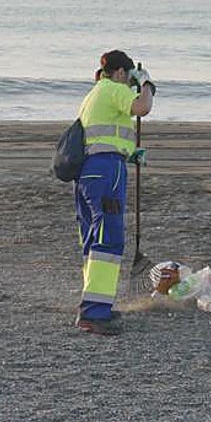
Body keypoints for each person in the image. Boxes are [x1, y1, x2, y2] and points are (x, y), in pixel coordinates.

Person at [72, 49, 155, 336]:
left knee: (94, 237)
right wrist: (146, 85)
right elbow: (142, 108)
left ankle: (98, 303)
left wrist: (131, 154)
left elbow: (104, 136)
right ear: (121, 73)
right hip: (107, 170)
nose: (130, 85)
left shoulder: (94, 95)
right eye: (128, 78)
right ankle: (93, 313)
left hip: (89, 171)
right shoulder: (112, 88)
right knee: (109, 238)